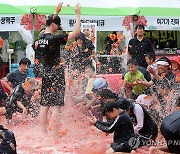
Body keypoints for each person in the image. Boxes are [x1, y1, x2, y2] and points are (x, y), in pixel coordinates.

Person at [32, 2, 81, 136]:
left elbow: (50, 25)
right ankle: (54, 135)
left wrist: (56, 12)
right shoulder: (55, 38)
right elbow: (76, 32)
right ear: (53, 25)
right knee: (56, 106)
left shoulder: (41, 37)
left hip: (45, 73)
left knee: (44, 105)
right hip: (56, 73)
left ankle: (43, 134)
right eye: (57, 25)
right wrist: (77, 13)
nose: (58, 28)